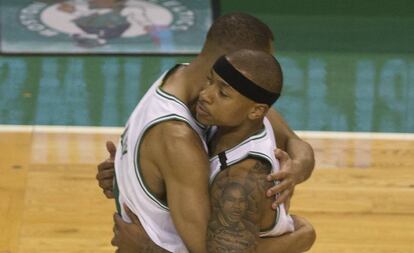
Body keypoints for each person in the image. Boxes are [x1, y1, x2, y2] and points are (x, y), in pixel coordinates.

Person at [97, 12, 315, 252]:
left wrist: (298, 169)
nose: (263, 71)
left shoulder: (181, 78)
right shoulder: (178, 137)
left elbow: (294, 142)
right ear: (231, 61)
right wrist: (301, 238)